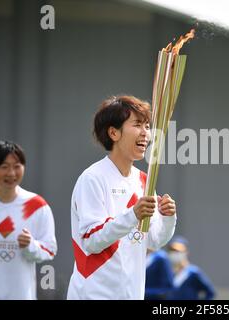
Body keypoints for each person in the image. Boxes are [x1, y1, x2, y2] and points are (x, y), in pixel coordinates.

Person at [67, 95, 177, 300]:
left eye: (147, 126)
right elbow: (91, 240)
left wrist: (168, 217)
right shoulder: (93, 178)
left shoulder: (144, 181)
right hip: (94, 294)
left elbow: (154, 240)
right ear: (113, 132)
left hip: (131, 294)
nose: (146, 133)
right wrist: (133, 215)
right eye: (137, 125)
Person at [0, 141, 57, 299]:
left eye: (17, 166)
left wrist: (30, 245)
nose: (11, 173)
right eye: (4, 167)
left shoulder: (37, 206)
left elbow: (50, 250)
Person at [166, 235, 215, 300]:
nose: (175, 253)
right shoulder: (167, 272)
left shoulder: (193, 272)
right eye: (172, 250)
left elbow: (210, 292)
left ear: (186, 252)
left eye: (178, 251)